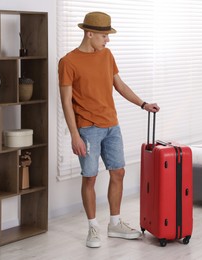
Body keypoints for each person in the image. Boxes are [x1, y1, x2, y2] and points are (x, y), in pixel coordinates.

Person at [58, 11, 160, 248]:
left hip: (111, 125)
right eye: (104, 35)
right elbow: (65, 102)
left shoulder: (107, 55)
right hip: (88, 129)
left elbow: (119, 84)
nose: (108, 40)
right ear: (89, 33)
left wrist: (143, 104)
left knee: (119, 172)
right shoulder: (68, 62)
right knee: (90, 177)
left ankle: (115, 224)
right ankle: (93, 227)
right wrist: (75, 135)